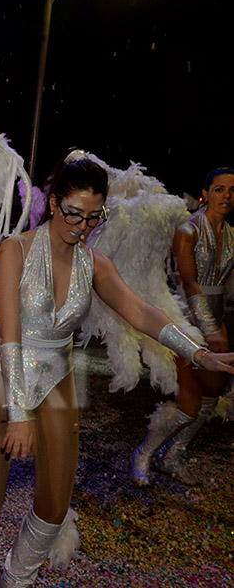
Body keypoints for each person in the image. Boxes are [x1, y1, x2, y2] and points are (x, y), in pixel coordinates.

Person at [0, 151, 234, 588]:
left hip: (56, 378)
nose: (82, 226)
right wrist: (19, 415)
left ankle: (15, 580)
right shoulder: (15, 252)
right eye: (74, 213)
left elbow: (140, 311)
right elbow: (13, 338)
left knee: (54, 507)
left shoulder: (93, 263)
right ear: (54, 203)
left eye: (94, 217)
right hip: (2, 376)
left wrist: (198, 353)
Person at [131, 167, 234, 486]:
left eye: (232, 191)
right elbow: (188, 280)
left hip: (216, 319)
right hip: (185, 321)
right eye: (219, 189)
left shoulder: (232, 233)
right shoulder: (188, 230)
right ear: (206, 193)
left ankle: (173, 456)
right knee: (188, 402)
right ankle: (143, 454)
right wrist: (208, 329)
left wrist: (219, 325)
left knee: (211, 397)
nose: (226, 196)